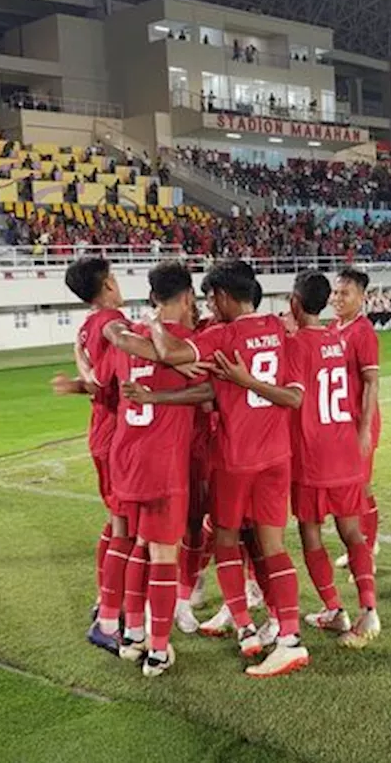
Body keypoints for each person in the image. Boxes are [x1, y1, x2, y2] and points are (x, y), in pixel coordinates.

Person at [141, 260, 310, 678]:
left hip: (236, 458)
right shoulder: (276, 328)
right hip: (276, 457)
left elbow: (169, 352)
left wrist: (155, 321)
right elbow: (289, 398)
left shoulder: (222, 334)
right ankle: (289, 637)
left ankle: (246, 629)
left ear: (219, 295)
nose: (208, 308)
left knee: (227, 541)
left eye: (210, 299)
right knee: (274, 548)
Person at [109, 261, 215, 678]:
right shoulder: (190, 345)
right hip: (163, 463)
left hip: (126, 459)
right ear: (188, 296)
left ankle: (132, 635)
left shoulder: (128, 337)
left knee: (139, 545)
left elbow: (109, 333)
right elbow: (208, 395)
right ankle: (157, 648)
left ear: (152, 297)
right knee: (164, 554)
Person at [266, 271, 380, 647]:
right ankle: (368, 610)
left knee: (311, 534)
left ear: (296, 304)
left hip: (311, 455)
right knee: (352, 532)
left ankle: (333, 608)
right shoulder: (337, 338)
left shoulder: (296, 345)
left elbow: (292, 395)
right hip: (343, 448)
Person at [52, 256, 147, 655]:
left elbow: (91, 382)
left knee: (116, 525)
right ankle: (108, 619)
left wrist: (76, 373)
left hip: (105, 434)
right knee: (128, 530)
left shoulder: (89, 325)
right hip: (116, 439)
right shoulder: (113, 325)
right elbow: (99, 382)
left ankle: (108, 601)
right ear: (108, 283)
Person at [330, 268, 381, 570]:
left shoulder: (363, 333)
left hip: (359, 423)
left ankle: (368, 548)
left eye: (344, 293)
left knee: (361, 488)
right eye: (336, 292)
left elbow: (372, 382)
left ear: (361, 298)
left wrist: (364, 430)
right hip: (339, 424)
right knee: (348, 490)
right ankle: (357, 547)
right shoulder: (335, 328)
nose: (337, 298)